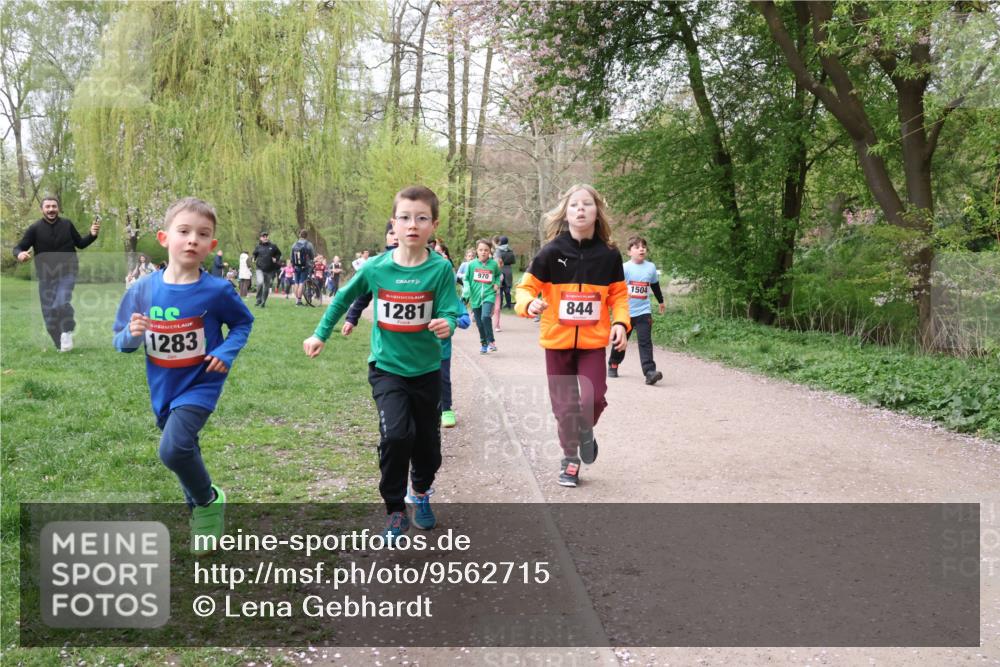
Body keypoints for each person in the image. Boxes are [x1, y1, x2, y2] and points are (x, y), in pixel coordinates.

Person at [303, 186, 462, 541]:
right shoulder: (376, 268)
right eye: (405, 217)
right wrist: (320, 334)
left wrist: (447, 323)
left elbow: (450, 309)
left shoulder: (440, 269)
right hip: (387, 369)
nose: (412, 225)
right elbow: (342, 297)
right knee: (395, 436)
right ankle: (394, 510)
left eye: (421, 218)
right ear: (394, 223)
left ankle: (420, 491)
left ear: (434, 225)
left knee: (428, 449)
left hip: (427, 371)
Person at [112, 197, 254, 555]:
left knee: (173, 450)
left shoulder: (217, 290)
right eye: (184, 231)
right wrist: (132, 334)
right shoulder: (142, 290)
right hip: (163, 387)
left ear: (212, 245)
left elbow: (242, 323)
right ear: (164, 238)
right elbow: (121, 342)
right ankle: (201, 519)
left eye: (202, 234)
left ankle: (208, 501)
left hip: (201, 384)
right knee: (185, 450)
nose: (193, 239)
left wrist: (225, 352)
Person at [514, 184, 630, 488]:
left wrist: (621, 323)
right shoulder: (551, 252)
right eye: (574, 204)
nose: (580, 209)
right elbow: (524, 288)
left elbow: (619, 296)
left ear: (597, 212)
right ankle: (570, 460)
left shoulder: (609, 255)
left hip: (592, 344)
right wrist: (529, 304)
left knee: (594, 398)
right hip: (557, 343)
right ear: (565, 213)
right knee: (565, 408)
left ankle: (584, 431)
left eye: (587, 204)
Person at [13, 195, 101, 352]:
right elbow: (18, 247)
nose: (51, 209)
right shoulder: (34, 229)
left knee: (61, 302)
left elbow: (80, 244)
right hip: (45, 276)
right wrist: (20, 254)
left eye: (54, 206)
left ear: (58, 208)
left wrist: (92, 235)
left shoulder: (67, 224)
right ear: (42, 209)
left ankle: (67, 331)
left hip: (67, 272)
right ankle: (60, 344)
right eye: (47, 207)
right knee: (49, 316)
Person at [608, 236, 666, 385]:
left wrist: (661, 301)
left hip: (643, 311)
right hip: (625, 313)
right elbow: (615, 288)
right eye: (637, 247)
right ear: (629, 252)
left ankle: (649, 372)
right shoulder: (624, 268)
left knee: (645, 342)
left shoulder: (651, 267)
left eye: (643, 247)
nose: (641, 249)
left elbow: (655, 285)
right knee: (620, 340)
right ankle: (614, 363)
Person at [465, 239, 500, 354]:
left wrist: (497, 283)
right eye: (481, 250)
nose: (483, 252)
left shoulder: (493, 264)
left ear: (490, 251)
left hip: (489, 295)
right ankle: (484, 344)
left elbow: (498, 275)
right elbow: (466, 279)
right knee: (479, 323)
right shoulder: (472, 265)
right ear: (477, 251)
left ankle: (491, 341)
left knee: (485, 317)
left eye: (486, 250)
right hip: (475, 297)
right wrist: (466, 290)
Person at [252, 231, 281, 307]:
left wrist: (276, 258)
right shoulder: (258, 247)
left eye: (266, 236)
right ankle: (258, 300)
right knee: (260, 283)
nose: (265, 238)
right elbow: (254, 254)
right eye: (263, 236)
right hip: (259, 268)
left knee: (266, 286)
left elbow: (279, 254)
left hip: (269, 269)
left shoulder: (273, 246)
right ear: (260, 238)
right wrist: (253, 258)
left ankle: (263, 301)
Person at [290, 230, 316, 306]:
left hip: (296, 266)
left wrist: (293, 265)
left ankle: (297, 300)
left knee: (296, 283)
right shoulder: (309, 244)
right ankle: (299, 301)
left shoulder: (294, 244)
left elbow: (291, 257)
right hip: (304, 266)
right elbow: (312, 256)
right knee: (301, 283)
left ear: (300, 235)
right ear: (306, 236)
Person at [495, 236, 516, 309]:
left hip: (500, 269)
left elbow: (496, 261)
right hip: (508, 270)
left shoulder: (498, 250)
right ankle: (508, 304)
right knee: (507, 289)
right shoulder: (510, 251)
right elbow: (513, 261)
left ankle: (500, 305)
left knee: (500, 288)